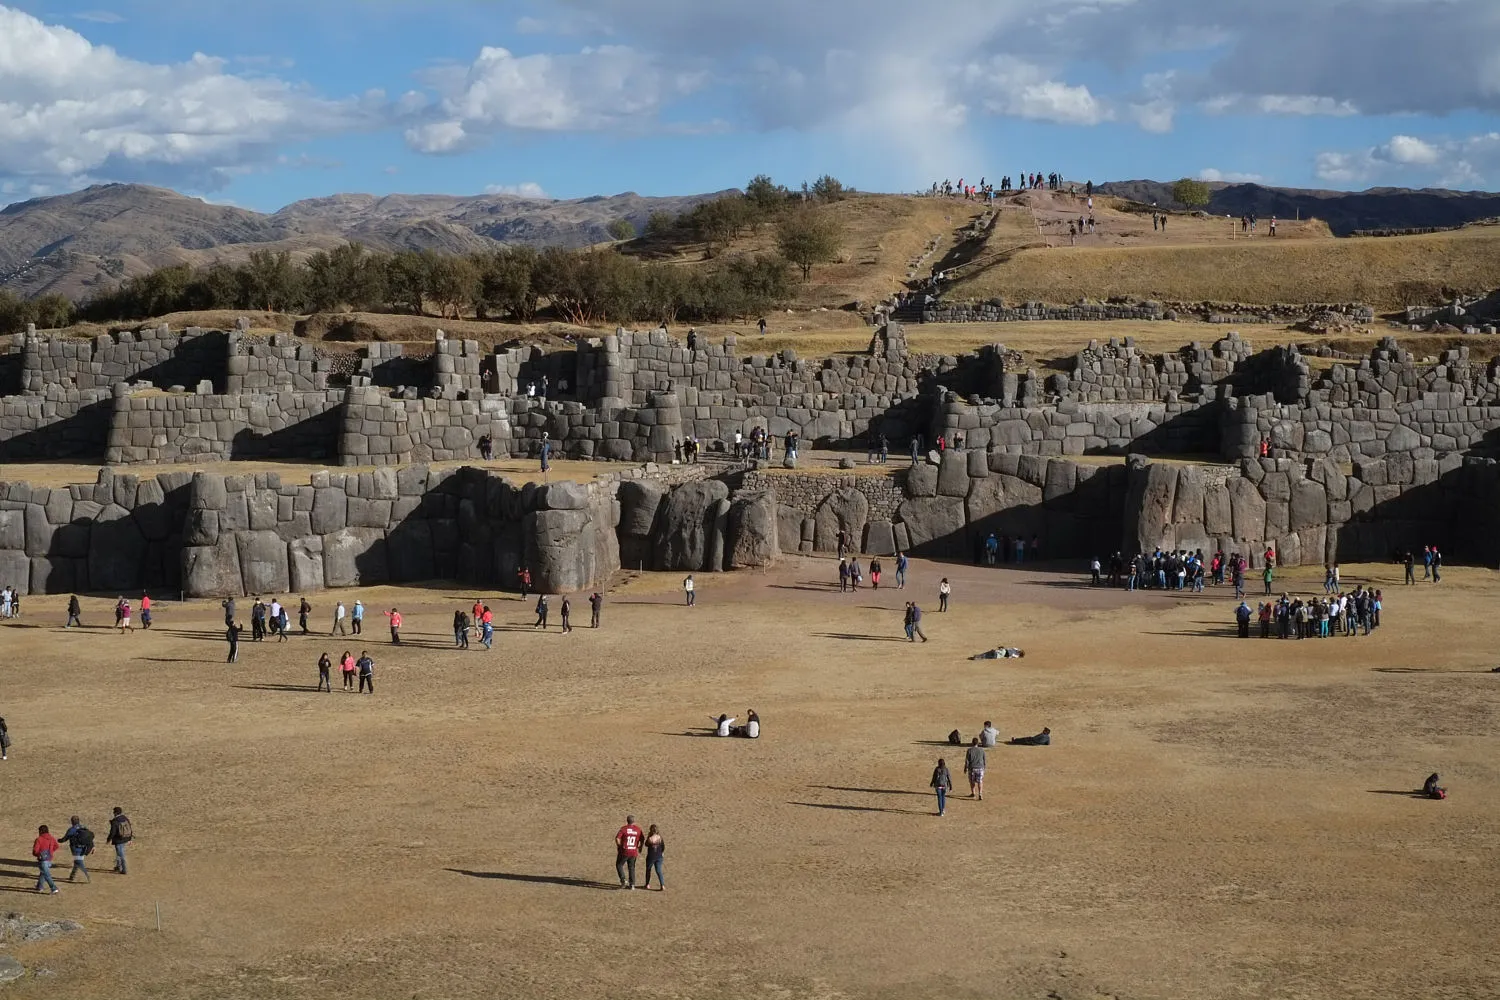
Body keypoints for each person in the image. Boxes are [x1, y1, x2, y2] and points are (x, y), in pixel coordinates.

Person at [60, 816, 94, 883]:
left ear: (72, 821)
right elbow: (89, 838)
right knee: (77, 862)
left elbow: (64, 839)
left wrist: (58, 840)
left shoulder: (72, 829)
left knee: (79, 863)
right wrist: (93, 846)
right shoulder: (84, 828)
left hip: (76, 849)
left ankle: (87, 876)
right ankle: (72, 876)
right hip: (84, 848)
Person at [615, 816, 644, 889]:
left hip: (624, 851)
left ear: (627, 821)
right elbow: (642, 839)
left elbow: (617, 838)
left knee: (619, 864)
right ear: (634, 821)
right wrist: (640, 847)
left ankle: (623, 879)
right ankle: (632, 884)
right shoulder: (638, 829)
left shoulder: (624, 829)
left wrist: (619, 846)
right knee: (631, 867)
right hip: (633, 851)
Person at [33, 824, 60, 894]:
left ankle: (54, 888)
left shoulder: (39, 839)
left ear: (41, 831)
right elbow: (56, 846)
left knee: (46, 875)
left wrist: (38, 855)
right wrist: (51, 852)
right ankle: (39, 887)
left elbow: (35, 851)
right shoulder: (51, 838)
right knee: (43, 873)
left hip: (42, 860)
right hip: (49, 859)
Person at [107, 807, 132, 874]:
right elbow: (130, 828)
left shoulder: (115, 821)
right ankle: (118, 866)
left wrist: (108, 839)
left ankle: (124, 869)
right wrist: (130, 839)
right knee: (119, 853)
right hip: (125, 838)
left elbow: (112, 832)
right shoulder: (125, 818)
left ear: (115, 813)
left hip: (118, 840)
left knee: (121, 855)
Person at [642, 825, 666, 891]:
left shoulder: (650, 838)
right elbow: (663, 846)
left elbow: (646, 844)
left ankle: (647, 884)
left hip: (651, 856)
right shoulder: (660, 838)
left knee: (648, 870)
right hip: (659, 856)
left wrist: (648, 836)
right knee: (659, 870)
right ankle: (662, 885)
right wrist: (662, 852)